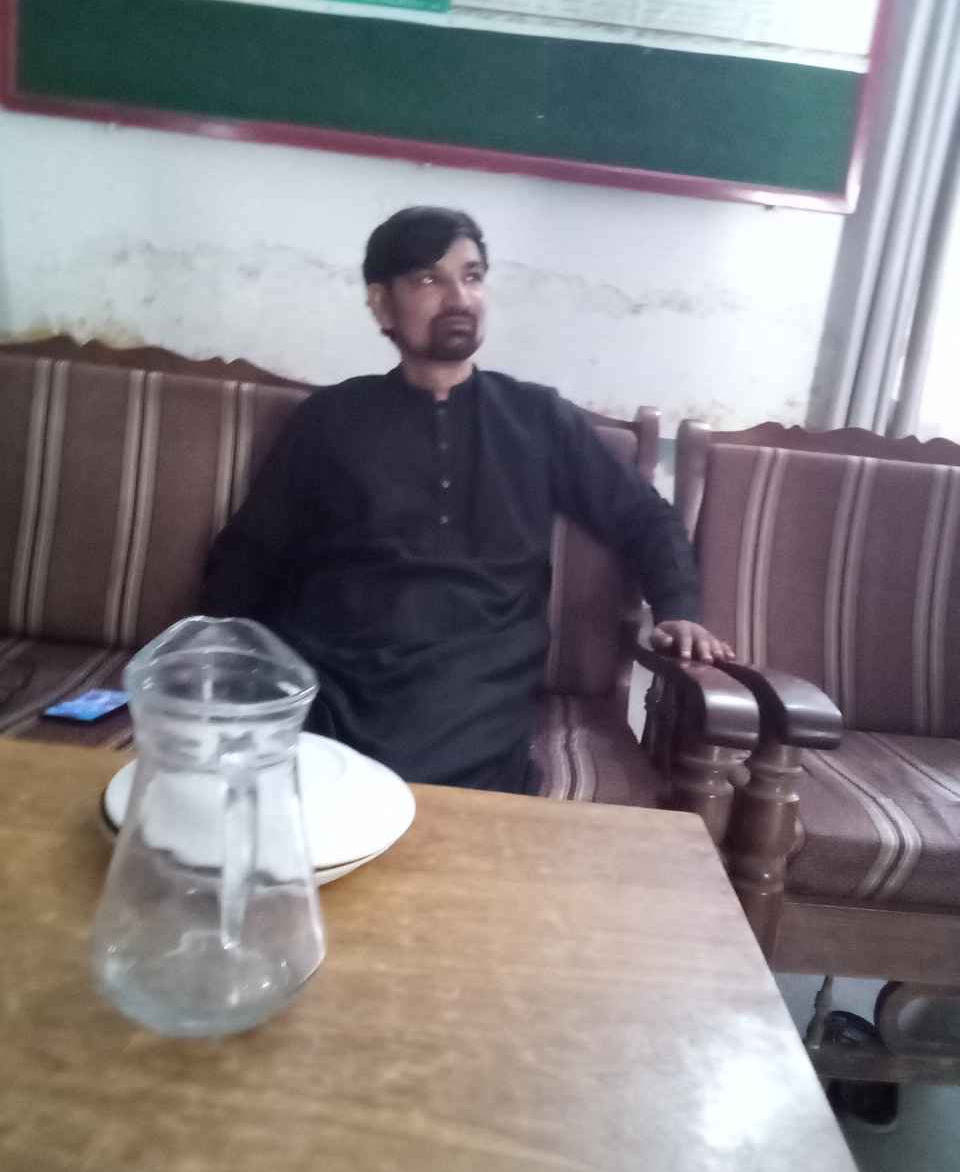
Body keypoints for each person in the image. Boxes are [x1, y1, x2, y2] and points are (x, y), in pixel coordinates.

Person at [201, 206, 732, 792]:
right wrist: (214, 648)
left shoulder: (537, 419)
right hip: (338, 668)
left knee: (416, 772)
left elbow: (642, 515)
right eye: (429, 279)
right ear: (382, 304)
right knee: (292, 768)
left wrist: (679, 606)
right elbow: (251, 548)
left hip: (477, 672)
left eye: (472, 276)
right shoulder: (331, 418)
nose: (459, 297)